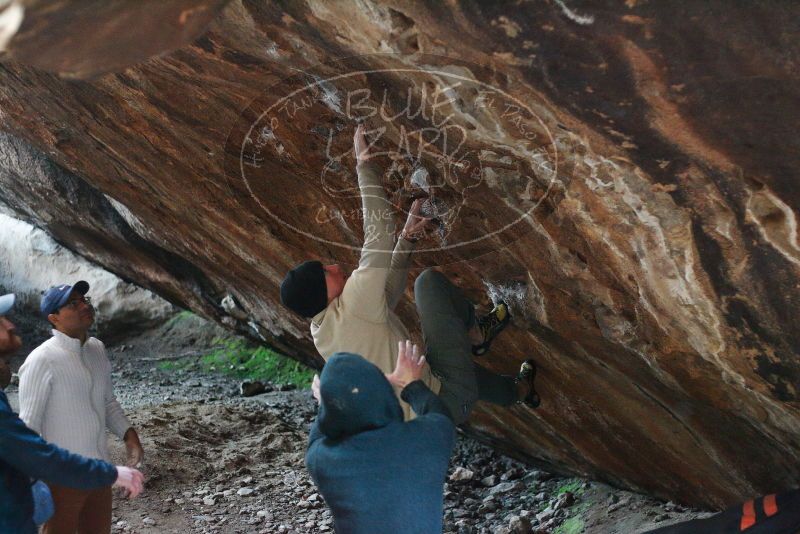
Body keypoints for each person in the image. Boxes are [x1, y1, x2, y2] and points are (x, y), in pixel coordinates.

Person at [281, 124, 540, 423]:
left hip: (434, 409)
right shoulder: (352, 306)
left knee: (445, 362)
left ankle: (522, 392)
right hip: (445, 397)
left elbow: (386, 295)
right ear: (322, 293)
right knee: (428, 284)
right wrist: (364, 166)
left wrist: (407, 239)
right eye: (326, 271)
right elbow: (378, 236)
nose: (335, 267)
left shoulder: (322, 332)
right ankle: (477, 332)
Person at [0, 293, 144, 534]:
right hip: (62, 476)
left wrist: (130, 437)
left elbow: (108, 401)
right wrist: (37, 480)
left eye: (84, 299)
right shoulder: (41, 359)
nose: (11, 324)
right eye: (73, 304)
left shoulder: (96, 349)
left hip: (97, 469)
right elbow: (28, 430)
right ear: (54, 318)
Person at [306, 340, 455, 534]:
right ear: (382, 392)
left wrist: (327, 404)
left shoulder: (322, 461)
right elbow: (440, 413)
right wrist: (411, 384)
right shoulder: (430, 438)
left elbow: (319, 434)